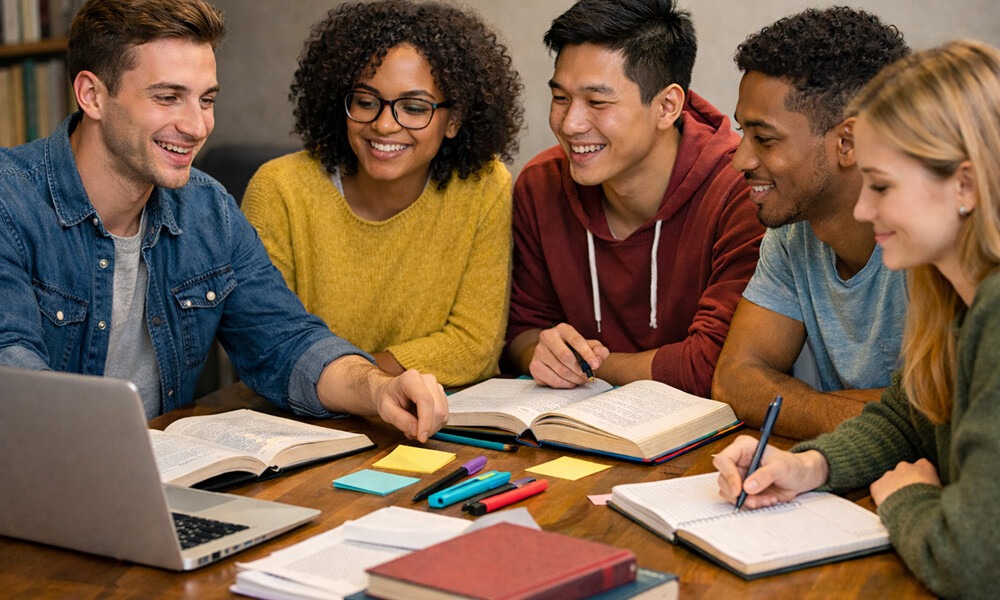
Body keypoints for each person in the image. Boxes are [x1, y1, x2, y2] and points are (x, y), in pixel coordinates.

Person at [0, 0, 447, 442]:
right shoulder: (10, 203)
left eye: (206, 99)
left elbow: (287, 342)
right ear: (92, 95)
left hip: (156, 479)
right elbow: (18, 387)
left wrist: (379, 388)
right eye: (168, 97)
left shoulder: (208, 209)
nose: (197, 126)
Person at [715, 39, 1000, 597]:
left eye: (884, 188)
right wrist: (810, 465)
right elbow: (908, 414)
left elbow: (971, 561)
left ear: (965, 185)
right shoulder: (949, 292)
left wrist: (905, 498)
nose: (865, 211)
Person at [242, 0, 522, 388]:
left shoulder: (483, 186)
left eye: (413, 107)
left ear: (454, 119)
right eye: (366, 101)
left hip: (434, 423)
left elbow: (473, 347)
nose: (384, 124)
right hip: (302, 422)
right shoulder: (280, 190)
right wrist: (366, 387)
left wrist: (345, 376)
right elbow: (270, 346)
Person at [503, 0, 762, 397]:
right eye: (560, 98)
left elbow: (714, 365)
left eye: (597, 102)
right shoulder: (541, 185)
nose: (570, 124)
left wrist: (591, 364)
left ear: (666, 106)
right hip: (574, 438)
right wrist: (544, 351)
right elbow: (522, 333)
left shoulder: (741, 190)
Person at [711, 7, 910, 439]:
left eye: (763, 139)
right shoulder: (792, 229)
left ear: (847, 143)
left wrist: (788, 402)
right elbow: (735, 380)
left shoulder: (934, 238)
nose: (739, 160)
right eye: (742, 132)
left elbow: (948, 417)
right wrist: (893, 419)